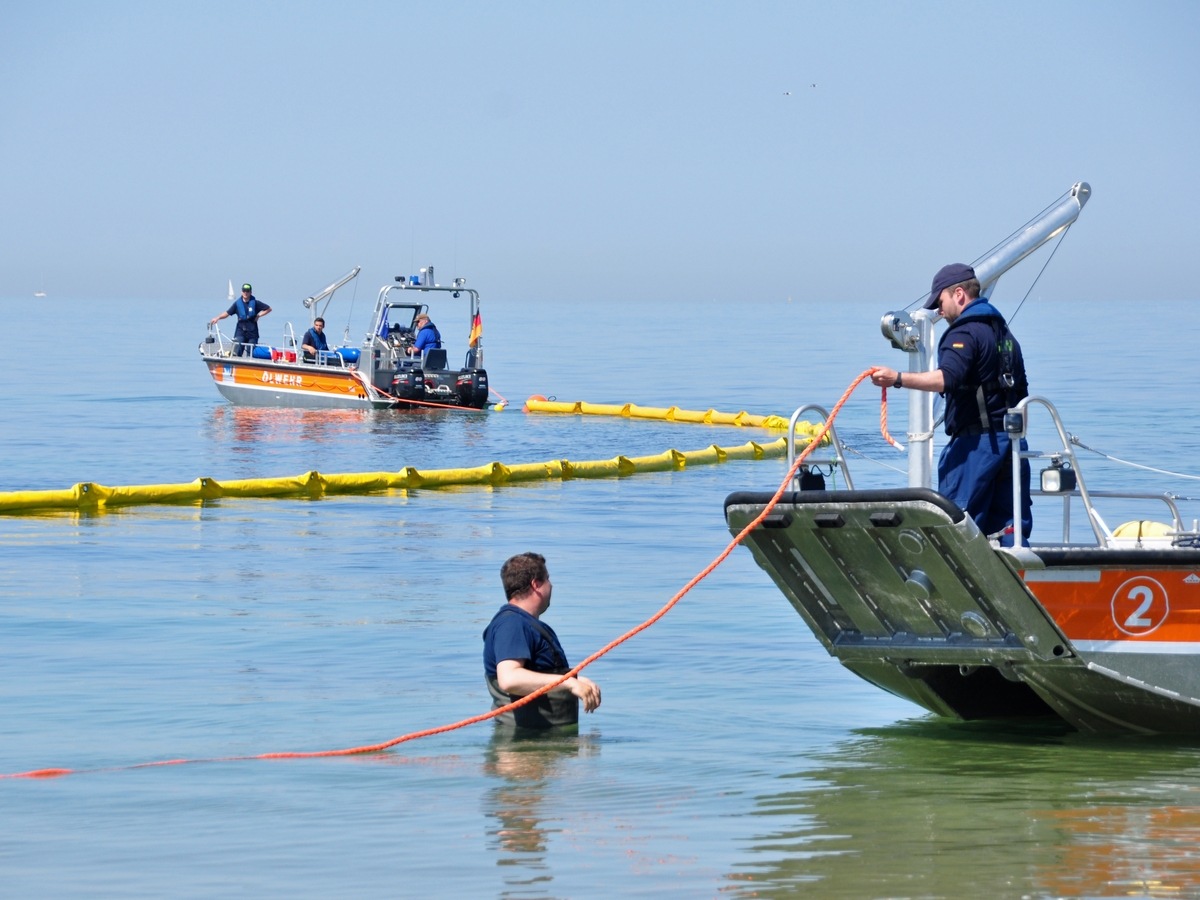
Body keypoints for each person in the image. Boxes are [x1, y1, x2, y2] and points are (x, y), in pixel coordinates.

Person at [870, 263, 1033, 545]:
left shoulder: (963, 334)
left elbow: (947, 378)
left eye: (940, 302)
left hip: (975, 449)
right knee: (1010, 531)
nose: (938, 311)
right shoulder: (1005, 335)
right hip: (1013, 445)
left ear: (959, 294)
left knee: (958, 529)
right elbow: (1022, 388)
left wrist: (896, 378)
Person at [483, 552, 602, 730]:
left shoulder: (526, 624)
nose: (551, 585)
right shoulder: (511, 624)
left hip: (544, 745)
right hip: (522, 746)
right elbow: (509, 679)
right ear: (536, 584)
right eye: (547, 579)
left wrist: (577, 679)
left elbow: (537, 673)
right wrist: (568, 683)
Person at [211, 283, 271, 357]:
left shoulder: (255, 303)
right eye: (244, 291)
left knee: (250, 353)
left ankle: (249, 366)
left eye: (247, 291)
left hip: (252, 332)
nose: (245, 293)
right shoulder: (237, 304)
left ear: (250, 292)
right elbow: (227, 313)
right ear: (241, 292)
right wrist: (218, 318)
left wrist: (259, 315)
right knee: (237, 349)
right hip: (241, 331)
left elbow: (268, 309)